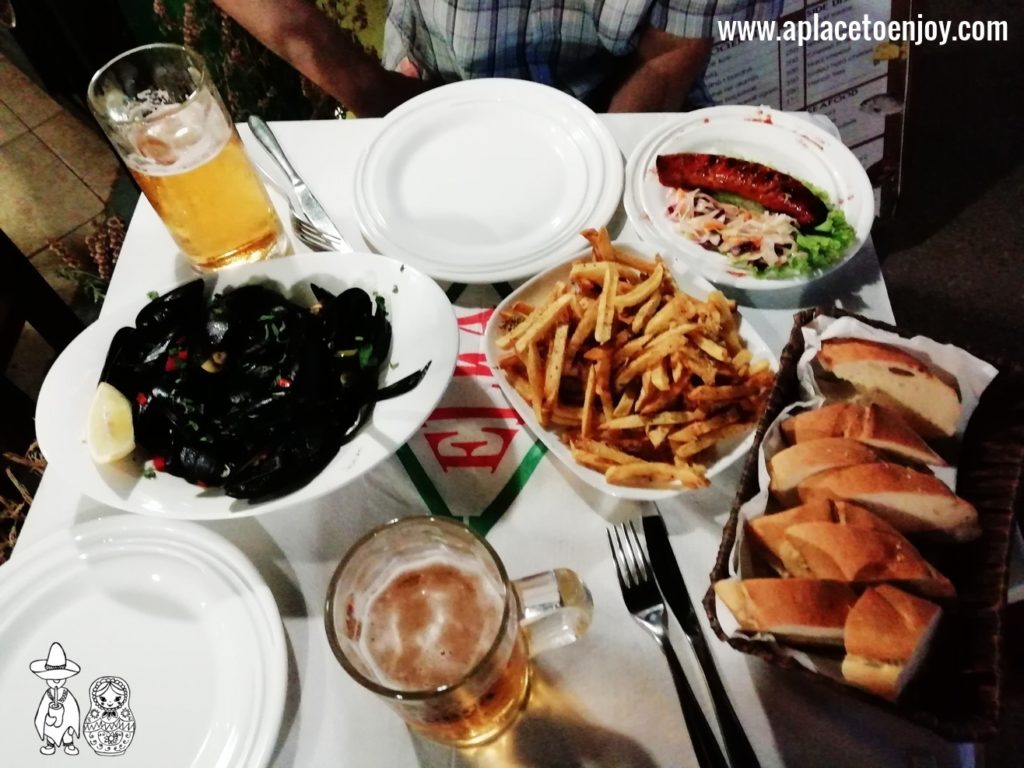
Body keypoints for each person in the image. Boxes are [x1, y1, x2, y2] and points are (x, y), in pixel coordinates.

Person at [212, 0, 778, 117]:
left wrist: (599, 163)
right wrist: (366, 86)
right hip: (424, 81)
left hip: (621, 94)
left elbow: (672, 52)